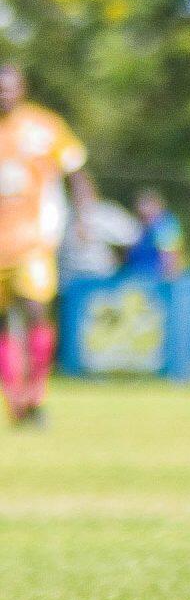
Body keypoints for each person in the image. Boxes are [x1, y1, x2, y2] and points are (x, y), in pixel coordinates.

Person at [0, 64, 97, 428]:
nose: (3, 93)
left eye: (8, 87)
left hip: (33, 244)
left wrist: (86, 218)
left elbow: (77, 172)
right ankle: (14, 400)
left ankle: (35, 393)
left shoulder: (45, 126)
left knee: (36, 309)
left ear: (22, 89)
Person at [122, 189, 184, 280]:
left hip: (155, 279)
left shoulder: (165, 225)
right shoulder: (142, 224)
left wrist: (170, 278)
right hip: (137, 276)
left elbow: (170, 256)